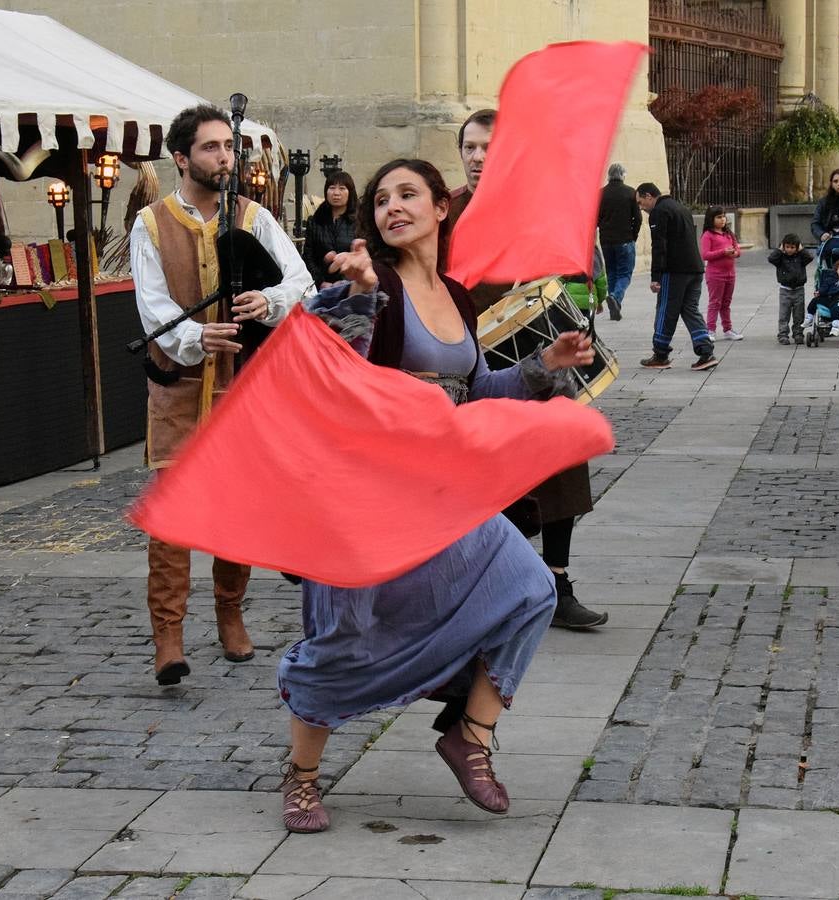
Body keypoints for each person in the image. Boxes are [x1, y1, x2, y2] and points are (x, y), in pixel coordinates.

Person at [277, 158, 597, 834]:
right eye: (381, 197)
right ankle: (300, 778)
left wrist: (545, 367)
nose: (392, 206)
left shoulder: (452, 293)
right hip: (364, 499)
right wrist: (359, 297)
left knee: (530, 590)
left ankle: (469, 738)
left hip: (436, 493)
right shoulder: (375, 284)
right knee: (342, 639)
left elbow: (474, 392)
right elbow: (331, 366)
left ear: (438, 208)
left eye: (407, 194)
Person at [130, 104, 311, 686]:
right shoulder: (152, 223)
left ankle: (230, 614)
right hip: (178, 387)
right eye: (210, 148)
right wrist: (191, 335)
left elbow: (300, 280)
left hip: (242, 388)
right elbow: (152, 305)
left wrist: (269, 302)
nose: (224, 158)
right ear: (181, 158)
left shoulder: (253, 216)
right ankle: (169, 636)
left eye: (227, 148)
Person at [448, 109, 607, 630]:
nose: (477, 157)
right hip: (472, 362)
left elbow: (561, 283)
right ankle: (489, 585)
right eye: (470, 147)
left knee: (562, 456)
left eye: (488, 147)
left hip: (537, 355)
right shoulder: (443, 213)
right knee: (485, 477)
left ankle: (556, 581)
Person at [635, 183, 718, 371]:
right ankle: (706, 352)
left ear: (649, 196)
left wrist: (655, 276)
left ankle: (660, 353)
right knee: (690, 309)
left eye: (641, 202)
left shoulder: (659, 212)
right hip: (695, 268)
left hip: (674, 271)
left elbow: (659, 245)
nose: (642, 207)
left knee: (666, 310)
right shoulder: (680, 207)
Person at [597, 162, 641, 320]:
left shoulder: (600, 194)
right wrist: (633, 236)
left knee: (612, 272)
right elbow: (638, 218)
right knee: (625, 273)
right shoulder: (631, 193)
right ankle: (615, 297)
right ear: (623, 175)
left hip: (606, 240)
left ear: (609, 175)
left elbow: (594, 219)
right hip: (624, 239)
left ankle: (615, 308)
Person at [302, 171, 357, 287]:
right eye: (332, 188)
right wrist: (320, 282)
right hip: (322, 288)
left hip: (352, 287)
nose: (336, 193)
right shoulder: (315, 221)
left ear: (350, 192)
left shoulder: (359, 222)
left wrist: (344, 282)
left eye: (342, 188)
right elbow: (308, 257)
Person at [700, 206, 743, 341]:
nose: (722, 219)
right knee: (715, 302)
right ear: (711, 219)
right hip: (715, 275)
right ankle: (710, 330)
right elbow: (705, 255)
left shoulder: (729, 233)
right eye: (719, 217)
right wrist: (723, 252)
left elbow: (737, 250)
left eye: (723, 216)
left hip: (730, 274)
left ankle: (728, 329)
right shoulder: (708, 235)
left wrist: (734, 252)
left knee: (726, 303)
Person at [768, 233, 813, 345]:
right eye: (787, 247)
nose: (790, 250)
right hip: (785, 290)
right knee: (784, 314)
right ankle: (783, 334)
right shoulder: (780, 258)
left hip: (799, 290)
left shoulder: (801, 258)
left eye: (793, 247)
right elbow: (771, 258)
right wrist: (779, 250)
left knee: (799, 315)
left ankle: (798, 334)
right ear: (783, 246)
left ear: (797, 248)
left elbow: (810, 258)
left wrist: (802, 250)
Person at [804, 256, 839, 338]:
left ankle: (836, 324)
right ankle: (809, 317)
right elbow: (824, 287)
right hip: (829, 298)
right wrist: (819, 292)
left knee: (837, 307)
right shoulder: (831, 279)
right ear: (836, 269)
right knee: (815, 301)